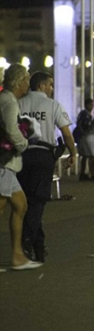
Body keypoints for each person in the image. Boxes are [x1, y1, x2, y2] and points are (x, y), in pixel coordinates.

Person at [17, 71, 78, 263]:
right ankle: (26, 240)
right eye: (50, 85)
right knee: (38, 200)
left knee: (28, 201)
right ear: (41, 86)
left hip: (22, 155)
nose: (51, 89)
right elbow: (66, 133)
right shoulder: (52, 105)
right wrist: (73, 153)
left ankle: (38, 246)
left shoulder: (20, 104)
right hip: (43, 156)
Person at [0, 63, 42, 271]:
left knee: (20, 205)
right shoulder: (9, 102)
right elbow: (10, 128)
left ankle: (18, 255)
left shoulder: (6, 100)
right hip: (4, 162)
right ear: (18, 83)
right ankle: (17, 256)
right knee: (14, 206)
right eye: (26, 80)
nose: (28, 84)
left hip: (6, 164)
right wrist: (23, 143)